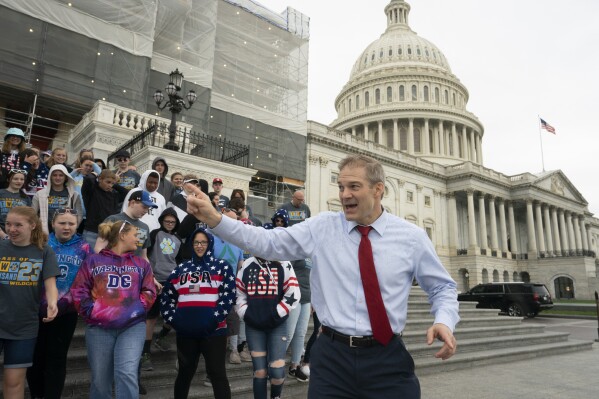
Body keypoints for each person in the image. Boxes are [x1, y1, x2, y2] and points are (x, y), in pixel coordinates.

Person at [184, 154, 459, 399]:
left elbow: (442, 288)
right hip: (331, 357)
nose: (344, 194)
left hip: (387, 356)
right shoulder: (322, 227)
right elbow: (267, 242)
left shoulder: (411, 237)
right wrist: (215, 219)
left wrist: (444, 320)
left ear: (378, 190)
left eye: (353, 187)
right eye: (341, 187)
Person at [71, 220, 156, 398]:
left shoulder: (142, 264)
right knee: (101, 380)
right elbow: (79, 290)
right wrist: (92, 311)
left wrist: (135, 309)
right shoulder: (93, 260)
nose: (138, 239)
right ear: (122, 235)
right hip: (99, 327)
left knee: (126, 373)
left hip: (132, 327)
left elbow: (149, 291)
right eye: (135, 234)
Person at [160, 227, 234, 399]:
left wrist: (213, 320)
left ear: (210, 244)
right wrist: (175, 320)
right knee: (184, 374)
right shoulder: (181, 268)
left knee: (217, 375)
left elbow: (228, 295)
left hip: (214, 332)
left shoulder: (221, 266)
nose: (200, 246)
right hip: (186, 334)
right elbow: (167, 296)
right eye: (196, 242)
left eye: (203, 242)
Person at [26, 208, 92, 399]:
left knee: (56, 358)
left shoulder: (84, 248)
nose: (67, 227)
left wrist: (68, 303)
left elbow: (85, 280)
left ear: (77, 225)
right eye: (62, 223)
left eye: (71, 223)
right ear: (53, 223)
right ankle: (37, 394)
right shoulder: (40, 244)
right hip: (36, 311)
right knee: (36, 357)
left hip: (66, 313)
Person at [0, 206, 59, 399]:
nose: (12, 229)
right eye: (8, 224)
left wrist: (52, 303)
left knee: (14, 381)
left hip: (23, 326)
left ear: (32, 225)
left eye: (18, 225)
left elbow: (50, 285)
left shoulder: (43, 251)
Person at [235, 252, 300, 399]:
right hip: (254, 326)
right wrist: (247, 314)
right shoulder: (246, 264)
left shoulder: (283, 262)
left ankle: (275, 396)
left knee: (277, 373)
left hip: (277, 325)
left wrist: (275, 314)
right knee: (260, 372)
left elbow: (293, 293)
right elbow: (239, 293)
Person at [141, 207, 182, 371]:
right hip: (154, 280)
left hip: (171, 281)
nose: (170, 224)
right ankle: (145, 353)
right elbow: (145, 256)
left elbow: (179, 261)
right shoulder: (154, 234)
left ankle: (162, 337)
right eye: (167, 221)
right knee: (151, 318)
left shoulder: (179, 239)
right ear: (162, 220)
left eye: (173, 222)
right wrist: (151, 278)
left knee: (175, 314)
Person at [212, 207, 246, 364]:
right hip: (213, 287)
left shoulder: (237, 241)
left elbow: (240, 265)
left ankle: (234, 350)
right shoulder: (210, 237)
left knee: (233, 320)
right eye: (229, 220)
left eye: (235, 221)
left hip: (231, 286)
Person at [97, 190, 157, 260]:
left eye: (148, 208)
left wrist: (149, 270)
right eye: (144, 207)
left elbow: (143, 256)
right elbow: (99, 248)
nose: (146, 211)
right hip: (112, 267)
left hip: (134, 269)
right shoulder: (113, 219)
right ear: (132, 203)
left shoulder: (144, 227)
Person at [81, 169, 129, 249]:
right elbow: (88, 179)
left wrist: (115, 184)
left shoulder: (113, 195)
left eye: (112, 183)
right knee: (88, 259)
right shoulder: (91, 191)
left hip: (107, 234)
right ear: (100, 179)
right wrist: (94, 175)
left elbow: (126, 193)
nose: (110, 185)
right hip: (92, 232)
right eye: (108, 182)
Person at [32, 164, 83, 235]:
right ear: (50, 177)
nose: (58, 178)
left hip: (65, 232)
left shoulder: (73, 195)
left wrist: (73, 226)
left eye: (61, 175)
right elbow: (33, 213)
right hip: (44, 233)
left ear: (65, 177)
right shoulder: (40, 194)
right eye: (55, 175)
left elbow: (79, 214)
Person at [0, 169, 32, 239]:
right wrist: (3, 235)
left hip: (18, 235)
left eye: (22, 179)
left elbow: (29, 219)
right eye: (15, 179)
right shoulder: (1, 193)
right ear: (9, 179)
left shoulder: (26, 198)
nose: (19, 181)